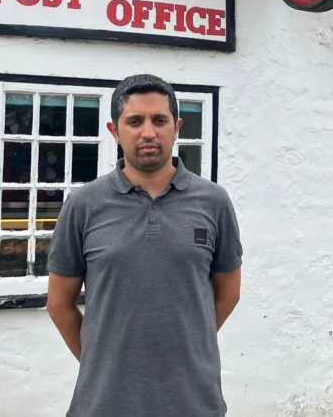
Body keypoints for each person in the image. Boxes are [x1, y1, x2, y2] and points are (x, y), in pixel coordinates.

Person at [46, 73, 243, 417]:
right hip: (104, 403)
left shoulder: (214, 201)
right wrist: (102, 362)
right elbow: (59, 303)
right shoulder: (84, 204)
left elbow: (228, 293)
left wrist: (186, 348)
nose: (148, 132)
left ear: (177, 126)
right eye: (134, 121)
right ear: (114, 130)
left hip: (194, 402)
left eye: (159, 120)